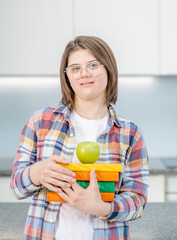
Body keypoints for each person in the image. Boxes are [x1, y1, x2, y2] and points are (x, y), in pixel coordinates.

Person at [10, 36, 149, 240]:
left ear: (108, 68)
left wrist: (101, 207)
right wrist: (37, 173)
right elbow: (16, 187)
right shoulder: (41, 121)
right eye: (75, 68)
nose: (84, 73)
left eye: (92, 65)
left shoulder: (129, 133)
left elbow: (138, 200)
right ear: (67, 76)